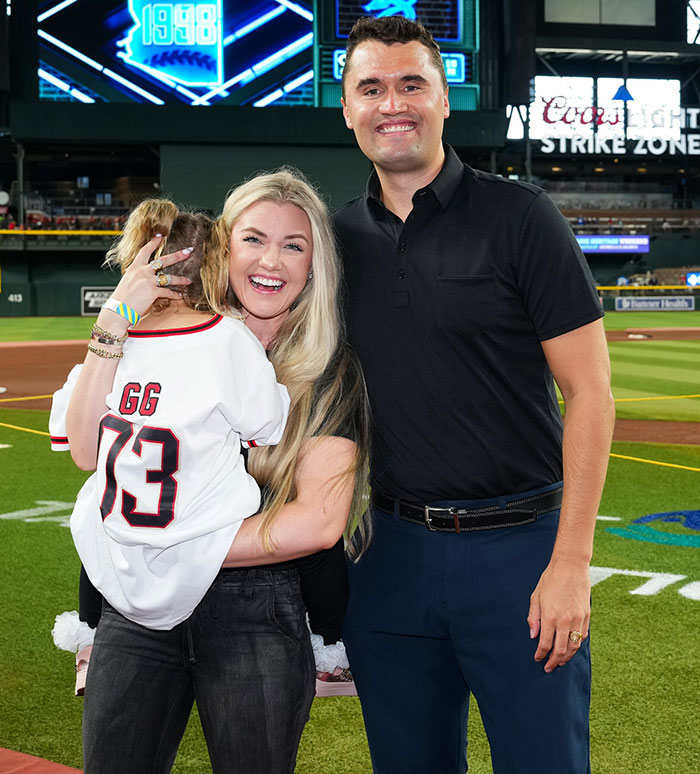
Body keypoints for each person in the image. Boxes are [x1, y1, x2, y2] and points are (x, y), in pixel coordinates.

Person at [334, 16, 615, 774]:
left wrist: (571, 562)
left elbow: (589, 392)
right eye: (371, 87)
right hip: (387, 554)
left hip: (520, 551)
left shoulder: (522, 217)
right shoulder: (334, 243)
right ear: (348, 108)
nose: (393, 102)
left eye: (412, 83)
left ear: (444, 100)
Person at [50, 170, 370, 774]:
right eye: (253, 238)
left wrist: (162, 545)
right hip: (134, 611)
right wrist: (114, 323)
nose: (270, 259)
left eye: (294, 244)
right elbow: (90, 452)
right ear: (220, 249)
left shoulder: (328, 366)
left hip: (254, 602)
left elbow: (320, 523)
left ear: (314, 265)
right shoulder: (148, 337)